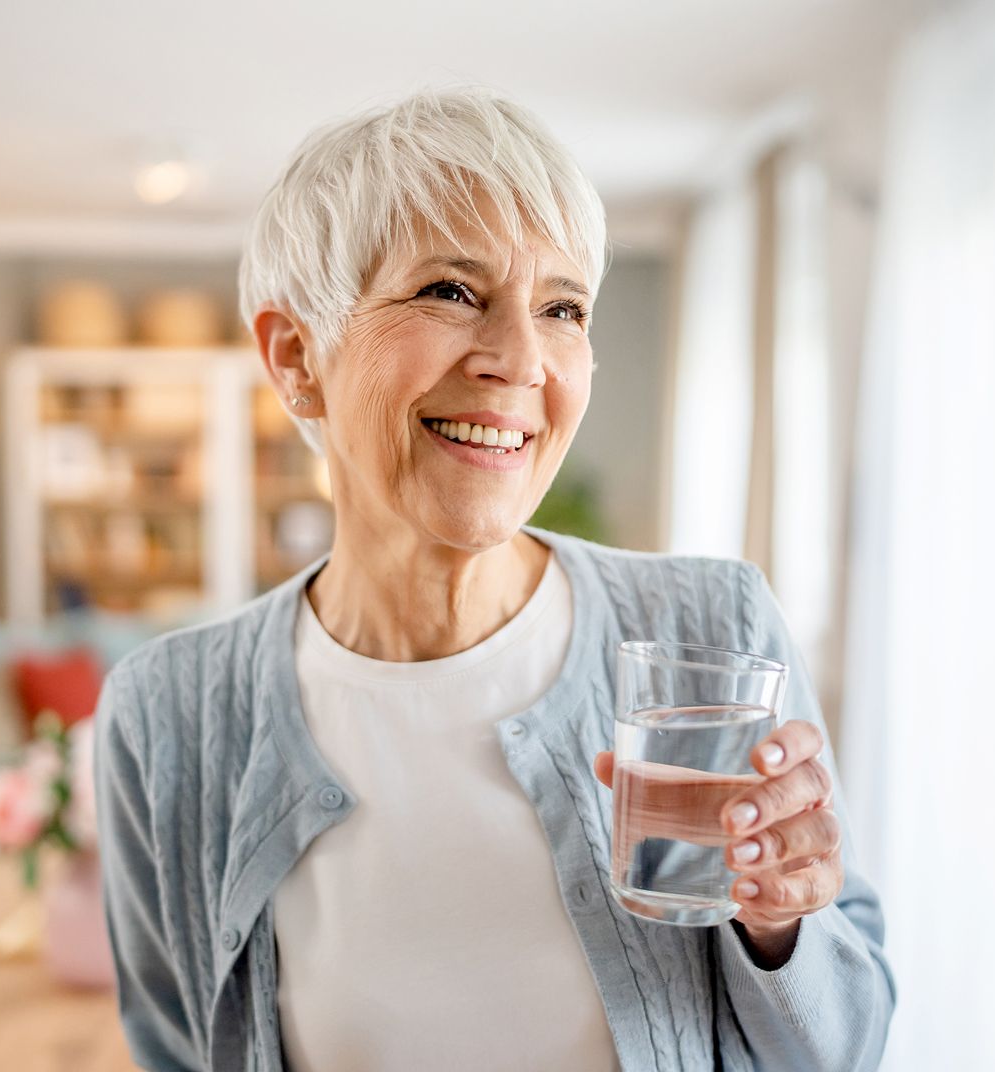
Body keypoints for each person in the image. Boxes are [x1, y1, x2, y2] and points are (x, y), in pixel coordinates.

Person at [94, 86, 893, 1071]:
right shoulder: (169, 712)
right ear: (296, 355)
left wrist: (783, 928)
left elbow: (845, 1046)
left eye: (562, 308)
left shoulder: (711, 629)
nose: (520, 359)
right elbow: (177, 1051)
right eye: (449, 291)